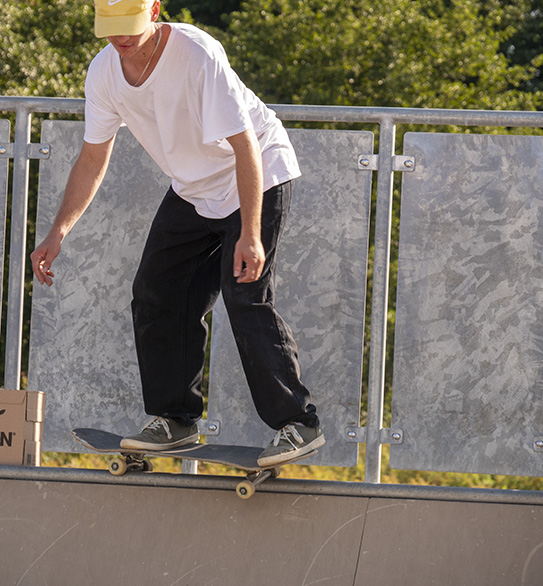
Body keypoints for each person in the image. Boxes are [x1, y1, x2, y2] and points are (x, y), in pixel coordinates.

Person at [30, 0, 324, 467]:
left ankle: (298, 423)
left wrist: (250, 233)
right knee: (156, 290)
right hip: (193, 189)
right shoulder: (104, 73)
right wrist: (58, 231)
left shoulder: (197, 54)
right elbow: (92, 158)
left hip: (256, 173)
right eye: (111, 30)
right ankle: (176, 418)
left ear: (155, 10)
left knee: (244, 292)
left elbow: (245, 143)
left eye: (129, 27)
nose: (121, 40)